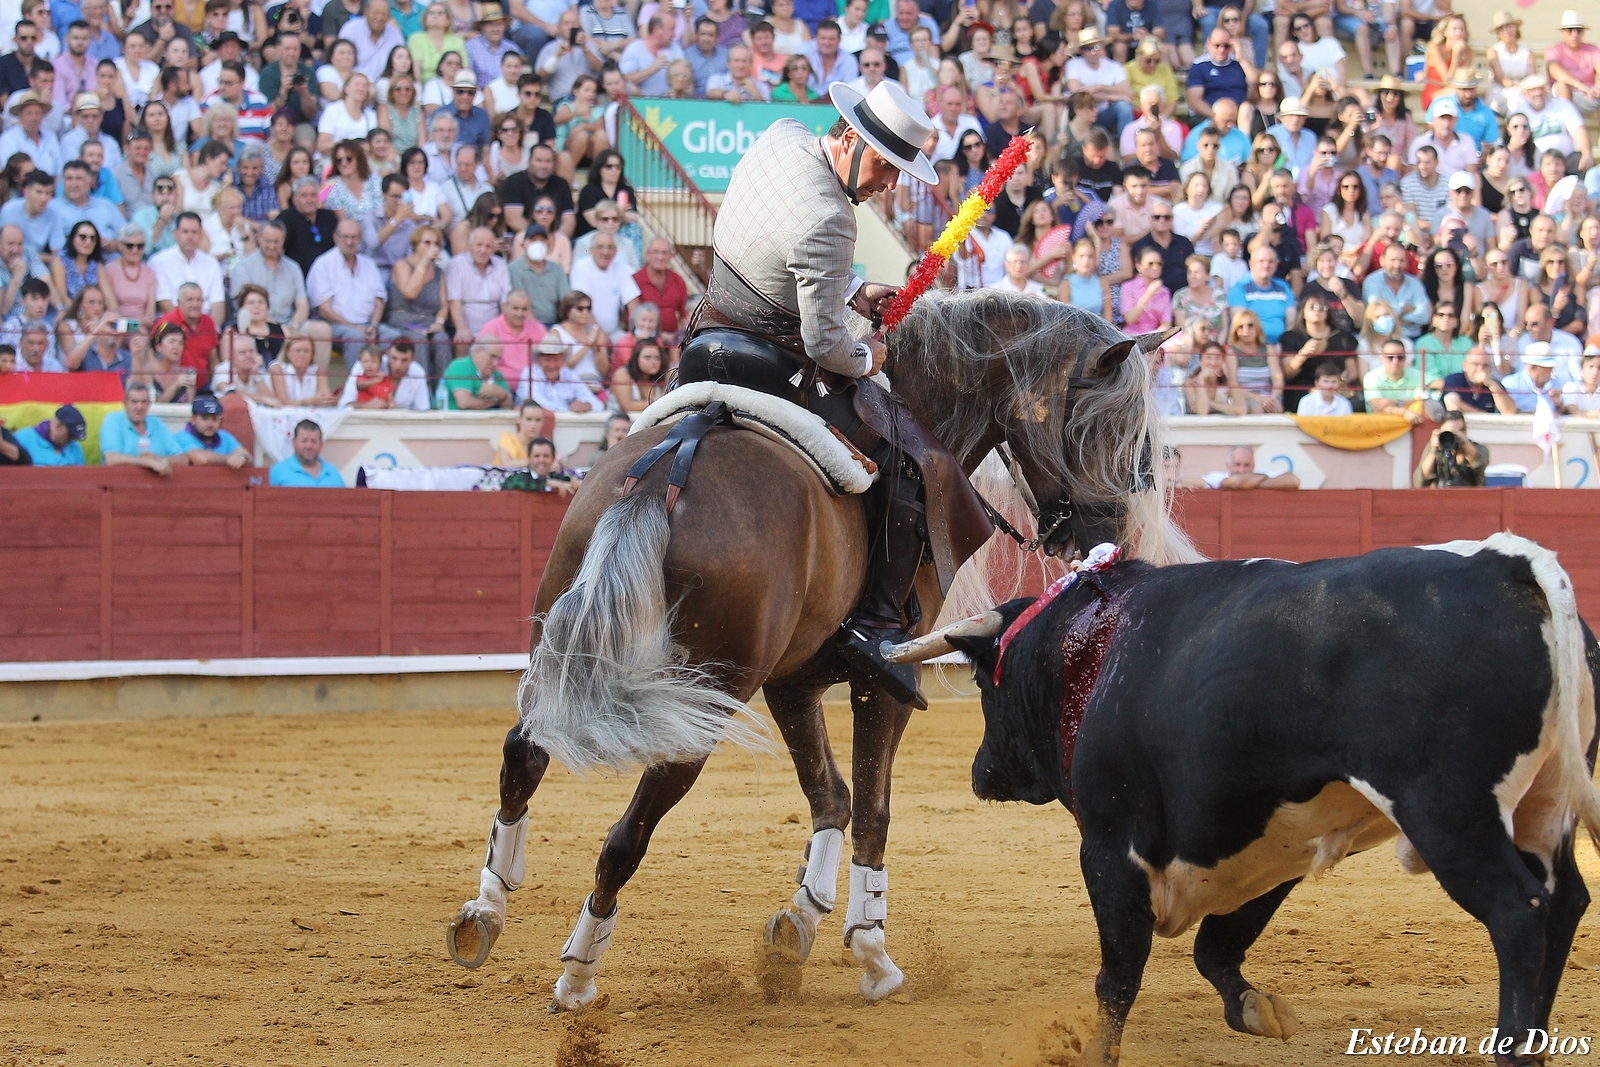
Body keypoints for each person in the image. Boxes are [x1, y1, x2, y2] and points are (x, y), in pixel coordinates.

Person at [683, 78, 987, 709]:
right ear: (851, 140)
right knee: (906, 453)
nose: (890, 184)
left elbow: (780, 249)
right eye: (885, 165)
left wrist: (849, 291)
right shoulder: (830, 217)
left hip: (707, 333)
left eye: (900, 171)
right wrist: (871, 351)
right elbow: (827, 349)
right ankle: (877, 623)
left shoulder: (782, 139)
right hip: (772, 360)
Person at [307, 217, 386, 363]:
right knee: (356, 338)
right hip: (336, 326)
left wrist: (374, 325)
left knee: (394, 337)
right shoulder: (323, 264)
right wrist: (355, 327)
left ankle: (389, 385)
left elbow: (379, 301)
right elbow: (324, 309)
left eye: (354, 237)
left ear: (360, 239)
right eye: (345, 237)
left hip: (368, 324)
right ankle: (356, 383)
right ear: (335, 238)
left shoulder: (369, 264)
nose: (349, 242)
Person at [100, 380, 188, 475]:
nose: (139, 407)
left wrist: (158, 459)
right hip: (120, 484)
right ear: (125, 403)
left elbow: (183, 459)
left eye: (143, 402)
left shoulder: (156, 423)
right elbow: (111, 459)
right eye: (134, 402)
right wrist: (147, 462)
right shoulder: (113, 420)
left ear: (149, 404)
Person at [518, 332, 598, 410]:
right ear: (539, 361)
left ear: (563, 361)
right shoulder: (529, 373)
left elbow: (597, 404)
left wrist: (587, 405)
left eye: (556, 360)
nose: (552, 366)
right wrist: (569, 410)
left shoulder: (569, 374)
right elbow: (537, 403)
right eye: (547, 360)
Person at [1412, 409, 1487, 487]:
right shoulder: (1435, 448)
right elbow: (1420, 480)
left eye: (1461, 430)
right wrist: (1434, 450)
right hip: (1440, 496)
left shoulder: (1478, 448)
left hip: (1468, 496)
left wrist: (1463, 440)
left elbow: (1478, 461)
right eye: (1449, 432)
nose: (1455, 436)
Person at [173, 392, 250, 467]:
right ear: (193, 420)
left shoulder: (224, 436)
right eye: (204, 418)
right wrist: (228, 458)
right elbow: (201, 459)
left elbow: (247, 456)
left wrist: (243, 458)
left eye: (214, 419)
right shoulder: (182, 437)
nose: (210, 424)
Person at [269, 419, 345, 486]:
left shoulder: (333, 473)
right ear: (294, 443)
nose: (309, 446)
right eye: (304, 441)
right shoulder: (277, 472)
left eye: (313, 441)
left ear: (321, 444)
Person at [443, 336, 513, 409]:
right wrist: (495, 401)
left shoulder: (497, 375)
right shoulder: (459, 366)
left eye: (498, 359)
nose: (495, 363)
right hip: (458, 419)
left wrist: (503, 395)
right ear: (478, 351)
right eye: (492, 356)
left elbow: (509, 407)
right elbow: (464, 403)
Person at [13, 402, 85, 464]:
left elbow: (82, 477)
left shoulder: (75, 448)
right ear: (58, 425)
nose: (72, 440)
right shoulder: (23, 438)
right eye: (70, 435)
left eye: (74, 437)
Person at [1203, 444, 1300, 489]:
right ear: (1227, 466)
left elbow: (1293, 480)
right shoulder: (1217, 477)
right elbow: (1236, 482)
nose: (1242, 470)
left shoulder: (1258, 476)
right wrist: (1263, 479)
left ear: (1253, 466)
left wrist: (1252, 483)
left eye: (1247, 465)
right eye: (1237, 464)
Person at [493, 397, 556, 465]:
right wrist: (538, 463)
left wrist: (558, 465)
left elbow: (559, 460)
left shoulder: (544, 443)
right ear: (519, 420)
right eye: (528, 419)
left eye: (538, 420)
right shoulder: (508, 439)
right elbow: (506, 464)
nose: (533, 425)